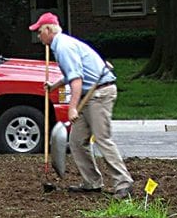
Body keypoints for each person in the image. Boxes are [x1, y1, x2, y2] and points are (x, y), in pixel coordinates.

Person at [30, 12, 133, 198]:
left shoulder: (64, 47)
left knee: (102, 139)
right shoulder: (61, 45)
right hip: (89, 94)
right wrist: (54, 86)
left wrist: (72, 108)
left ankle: (124, 184)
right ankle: (92, 182)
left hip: (99, 94)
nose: (38, 36)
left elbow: (76, 80)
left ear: (48, 30)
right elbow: (72, 74)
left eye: (39, 31)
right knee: (76, 141)